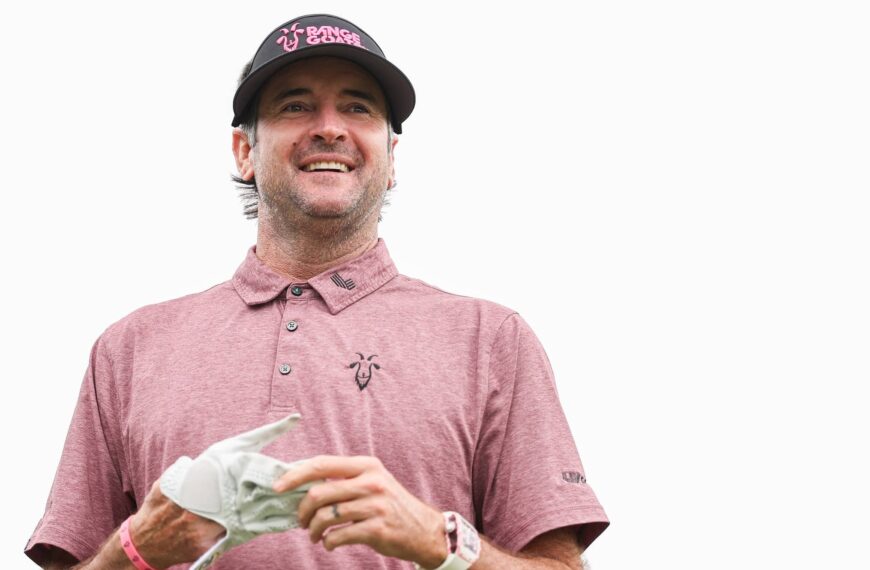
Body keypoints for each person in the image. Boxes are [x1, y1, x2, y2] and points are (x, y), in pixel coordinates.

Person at [25, 13, 609, 570]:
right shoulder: (128, 350)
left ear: (391, 158)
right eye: (295, 105)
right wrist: (139, 548)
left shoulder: (491, 340)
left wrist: (440, 540)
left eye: (357, 106)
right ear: (245, 152)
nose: (329, 127)